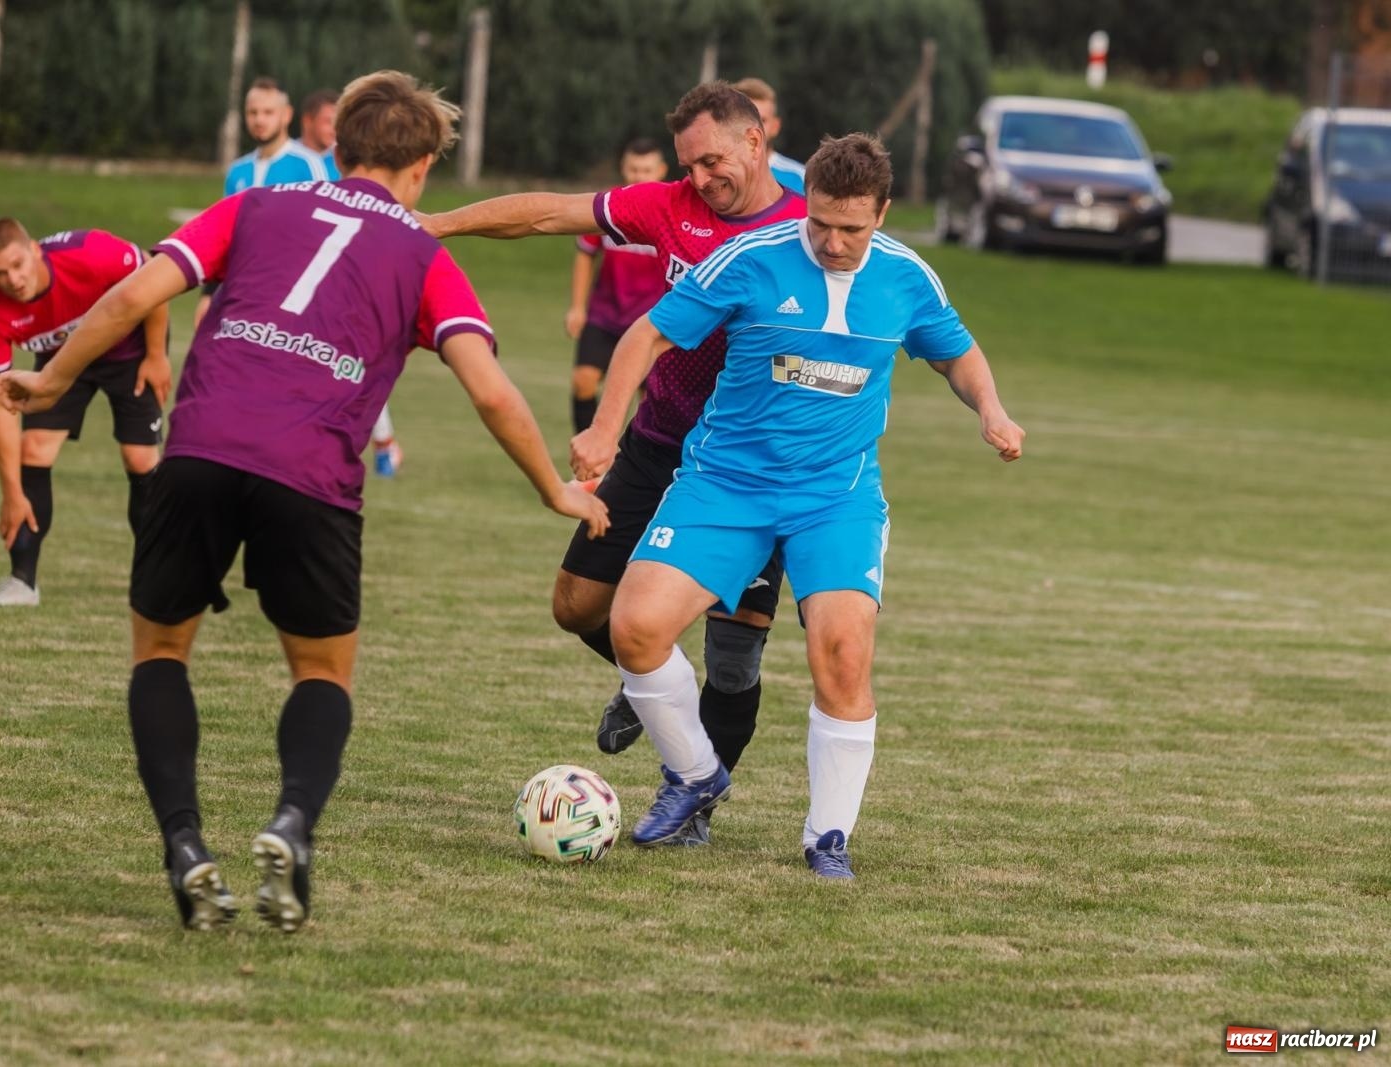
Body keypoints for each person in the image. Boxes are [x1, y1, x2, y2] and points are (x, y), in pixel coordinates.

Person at [0, 70, 608, 932]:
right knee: (321, 672)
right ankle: (291, 824)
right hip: (310, 478)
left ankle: (183, 844)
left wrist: (52, 374)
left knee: (160, 654)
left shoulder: (254, 209)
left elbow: (134, 295)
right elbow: (493, 392)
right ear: (424, 166)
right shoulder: (425, 256)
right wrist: (556, 487)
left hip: (200, 451)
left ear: (337, 147)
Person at [572, 132, 1024, 876]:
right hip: (725, 485)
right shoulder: (751, 259)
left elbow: (955, 350)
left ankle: (828, 836)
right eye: (821, 222)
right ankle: (694, 774)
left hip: (834, 500)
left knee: (842, 657)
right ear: (806, 202)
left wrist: (991, 410)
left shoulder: (907, 277)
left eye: (853, 227)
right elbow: (648, 336)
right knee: (634, 627)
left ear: (882, 212)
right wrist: (601, 426)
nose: (834, 241)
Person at [421, 82, 804, 846]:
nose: (698, 178)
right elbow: (547, 211)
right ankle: (653, 675)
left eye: (713, 161)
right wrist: (434, 224)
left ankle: (695, 798)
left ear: (757, 142)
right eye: (688, 165)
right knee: (576, 606)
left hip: (749, 468)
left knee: (732, 656)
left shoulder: (805, 229)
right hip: (658, 441)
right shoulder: (667, 207)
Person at [0, 218, 170, 606]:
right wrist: (11, 492)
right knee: (34, 449)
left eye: (17, 264)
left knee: (140, 458)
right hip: (62, 364)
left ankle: (157, 580)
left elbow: (156, 276)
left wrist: (157, 355)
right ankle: (22, 582)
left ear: (34, 249)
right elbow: (0, 404)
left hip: (129, 353)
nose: (12, 279)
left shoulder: (90, 253)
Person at [300, 85, 403, 476]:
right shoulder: (299, 163)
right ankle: (378, 443)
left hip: (343, 281)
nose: (332, 130)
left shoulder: (345, 167)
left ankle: (381, 443)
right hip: (305, 284)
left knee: (354, 360)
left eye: (336, 122)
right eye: (328, 121)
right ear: (308, 121)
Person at [193, 77, 328, 331]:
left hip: (290, 293)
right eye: (252, 112)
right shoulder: (238, 170)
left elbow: (321, 234)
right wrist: (208, 294)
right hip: (241, 290)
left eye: (268, 112)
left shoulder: (308, 165)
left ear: (286, 115)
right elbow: (226, 236)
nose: (259, 120)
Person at [564, 138, 668, 434]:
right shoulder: (607, 208)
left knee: (648, 400)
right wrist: (576, 308)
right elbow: (585, 254)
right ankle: (588, 462)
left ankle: (628, 466)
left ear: (660, 171)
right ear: (623, 169)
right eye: (633, 169)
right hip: (605, 314)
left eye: (646, 169)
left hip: (651, 322)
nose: (639, 176)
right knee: (583, 381)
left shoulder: (668, 213)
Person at [734, 78, 805, 195]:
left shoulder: (801, 179)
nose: (754, 129)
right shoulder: (713, 179)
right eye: (746, 119)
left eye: (762, 120)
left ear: (775, 127)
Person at [298, 87, 342, 178]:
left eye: (338, 123)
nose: (334, 130)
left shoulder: (343, 162)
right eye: (328, 122)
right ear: (307, 121)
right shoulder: (285, 158)